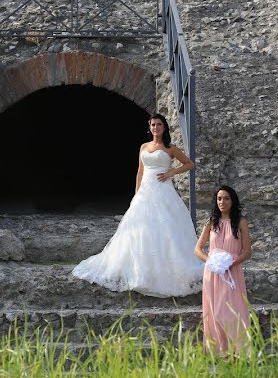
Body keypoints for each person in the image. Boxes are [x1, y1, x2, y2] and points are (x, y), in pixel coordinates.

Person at [72, 114, 202, 297]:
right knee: (138, 229)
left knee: (165, 227)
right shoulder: (143, 147)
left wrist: (171, 172)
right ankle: (139, 270)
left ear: (164, 127)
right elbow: (140, 171)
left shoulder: (170, 148)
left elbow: (189, 164)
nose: (155, 127)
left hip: (163, 189)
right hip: (145, 191)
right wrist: (136, 194)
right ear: (149, 128)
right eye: (153, 125)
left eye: (159, 124)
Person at [194, 185, 252, 356]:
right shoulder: (211, 222)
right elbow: (197, 249)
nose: (222, 202)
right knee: (214, 310)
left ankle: (239, 351)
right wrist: (210, 261)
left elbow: (247, 251)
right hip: (212, 273)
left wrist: (230, 263)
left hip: (232, 272)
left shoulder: (241, 222)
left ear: (232, 201)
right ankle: (220, 351)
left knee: (232, 310)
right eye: (219, 198)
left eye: (226, 198)